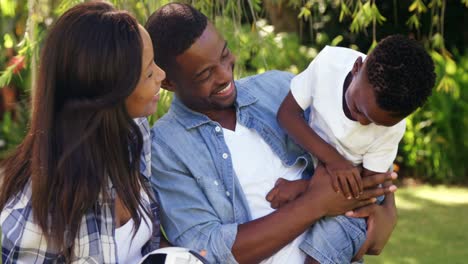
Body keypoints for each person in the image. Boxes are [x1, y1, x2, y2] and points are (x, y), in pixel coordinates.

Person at [147, 3, 398, 264]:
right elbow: (205, 251)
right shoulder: (166, 148)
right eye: (205, 73)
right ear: (168, 82)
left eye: (224, 55)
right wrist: (315, 203)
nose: (225, 75)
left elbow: (363, 141)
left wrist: (389, 210)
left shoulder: (279, 89)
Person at [0, 1, 166, 263]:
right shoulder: (43, 211)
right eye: (148, 74)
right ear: (108, 94)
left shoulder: (134, 133)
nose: (161, 75)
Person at [269, 36, 436, 263]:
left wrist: (304, 189)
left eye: (376, 122)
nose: (363, 123)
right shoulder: (328, 64)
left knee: (321, 255)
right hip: (326, 168)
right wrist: (334, 160)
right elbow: (287, 115)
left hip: (355, 193)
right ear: (357, 67)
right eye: (358, 109)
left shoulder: (393, 128)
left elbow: (369, 188)